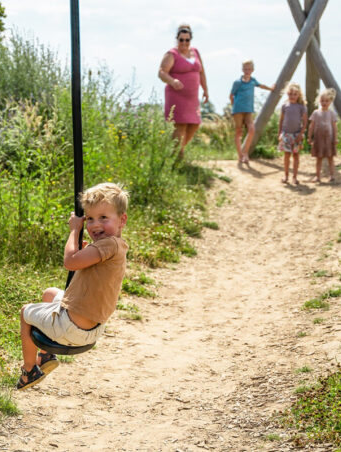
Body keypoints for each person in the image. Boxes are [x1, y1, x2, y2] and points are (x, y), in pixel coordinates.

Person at [17, 183, 130, 390]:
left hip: (72, 327)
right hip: (92, 328)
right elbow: (85, 272)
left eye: (103, 218)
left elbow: (70, 262)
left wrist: (74, 230)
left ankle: (29, 371)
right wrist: (83, 250)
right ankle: (46, 355)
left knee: (26, 312)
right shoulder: (116, 246)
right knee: (50, 294)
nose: (95, 225)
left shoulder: (107, 245)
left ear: (122, 219)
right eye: (90, 219)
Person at [158, 24, 209, 160]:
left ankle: (172, 153)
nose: (184, 43)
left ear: (190, 40)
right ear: (177, 39)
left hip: (192, 98)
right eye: (181, 40)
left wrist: (205, 89)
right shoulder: (171, 54)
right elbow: (162, 72)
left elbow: (201, 72)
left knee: (195, 124)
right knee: (180, 126)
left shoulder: (195, 52)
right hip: (176, 95)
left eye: (187, 40)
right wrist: (172, 81)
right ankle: (176, 158)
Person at [230, 59, 273, 164]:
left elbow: (261, 85)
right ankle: (240, 155)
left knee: (252, 129)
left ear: (252, 70)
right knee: (239, 131)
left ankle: (245, 153)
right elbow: (231, 96)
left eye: (249, 69)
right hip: (238, 110)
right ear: (242, 69)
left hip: (249, 109)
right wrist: (234, 107)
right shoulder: (237, 82)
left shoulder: (253, 81)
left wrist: (271, 89)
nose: (247, 71)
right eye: (245, 69)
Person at [277, 82, 308, 184]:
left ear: (299, 94)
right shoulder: (285, 106)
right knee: (286, 155)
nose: (292, 96)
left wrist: (301, 134)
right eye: (290, 94)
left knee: (296, 156)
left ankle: (294, 177)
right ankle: (286, 176)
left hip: (296, 134)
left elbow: (305, 122)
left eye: (295, 94)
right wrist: (279, 133)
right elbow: (281, 120)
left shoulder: (301, 106)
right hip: (286, 134)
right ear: (287, 94)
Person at [308, 88, 339, 183]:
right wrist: (309, 137)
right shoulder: (316, 113)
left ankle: (332, 175)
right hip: (319, 139)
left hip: (329, 139)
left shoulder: (332, 113)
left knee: (330, 158)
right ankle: (318, 176)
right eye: (322, 101)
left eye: (326, 101)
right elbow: (311, 126)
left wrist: (335, 138)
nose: (324, 103)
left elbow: (334, 127)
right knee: (319, 158)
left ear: (330, 101)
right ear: (319, 101)